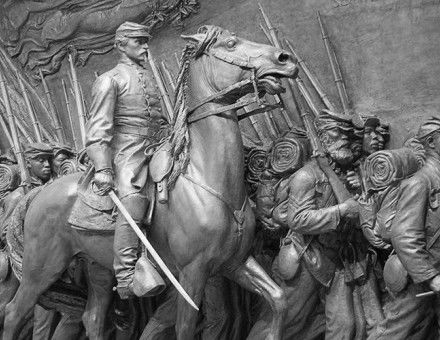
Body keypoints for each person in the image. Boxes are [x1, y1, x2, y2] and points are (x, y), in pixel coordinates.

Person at [85, 21, 168, 299]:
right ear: (121, 45)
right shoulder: (109, 79)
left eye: (147, 40)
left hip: (159, 143)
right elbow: (98, 130)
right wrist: (103, 168)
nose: (145, 46)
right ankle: (126, 276)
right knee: (132, 196)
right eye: (139, 41)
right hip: (127, 149)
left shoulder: (151, 77)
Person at [359, 117, 440, 339]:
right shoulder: (420, 182)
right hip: (419, 276)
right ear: (431, 143)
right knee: (394, 332)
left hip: (431, 273)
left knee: (420, 330)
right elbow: (403, 235)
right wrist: (430, 276)